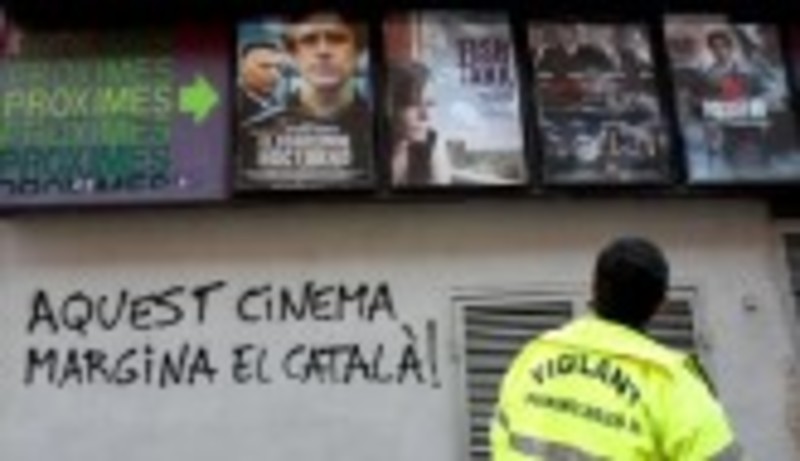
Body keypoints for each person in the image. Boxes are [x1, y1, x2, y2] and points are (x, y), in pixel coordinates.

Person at [491, 236, 742, 460]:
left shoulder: (534, 355)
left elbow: (500, 439)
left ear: (593, 287)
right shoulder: (671, 383)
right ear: (661, 305)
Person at [386, 61, 451, 186]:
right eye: (414, 103)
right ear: (391, 106)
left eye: (430, 104)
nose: (426, 116)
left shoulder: (432, 142)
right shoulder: (371, 144)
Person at [537, 25, 614, 76]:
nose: (571, 33)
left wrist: (609, 53)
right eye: (566, 28)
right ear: (558, 32)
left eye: (574, 29)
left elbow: (609, 71)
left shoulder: (591, 52)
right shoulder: (549, 55)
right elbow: (541, 76)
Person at [238, 41, 284, 124]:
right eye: (265, 66)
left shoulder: (278, 102)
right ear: (243, 67)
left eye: (278, 67)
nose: (274, 74)